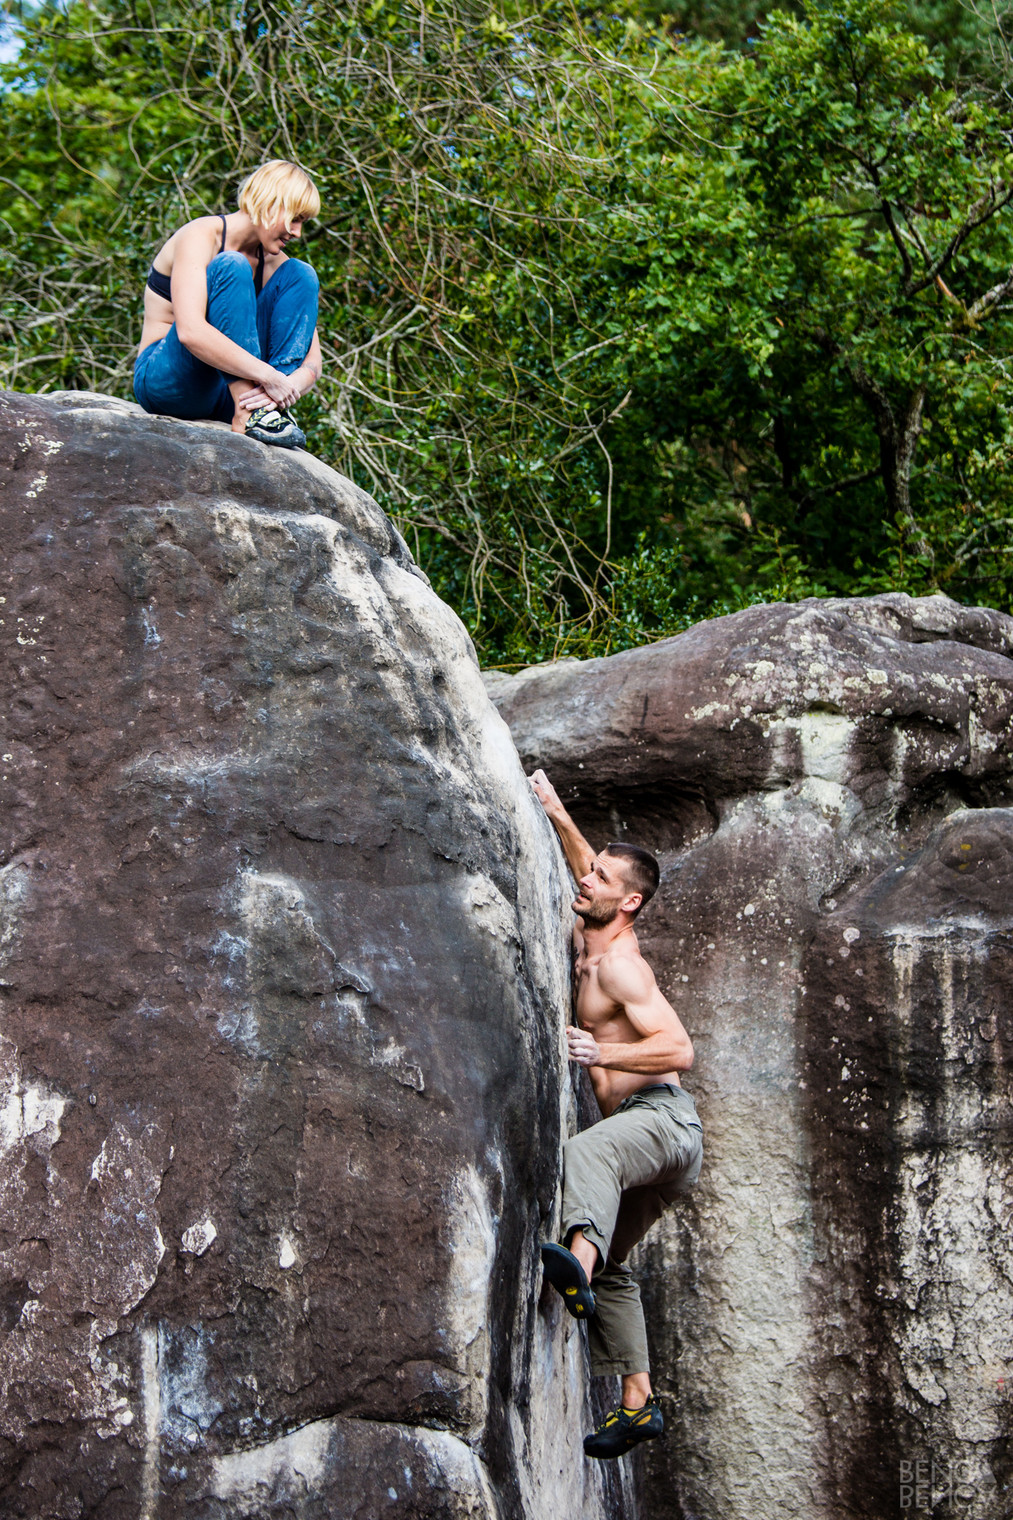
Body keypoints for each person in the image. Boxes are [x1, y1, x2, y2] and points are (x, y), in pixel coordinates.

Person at [529, 768, 703, 1461]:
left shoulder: (622, 968)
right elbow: (590, 871)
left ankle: (573, 1262)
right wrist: (555, 811)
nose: (586, 879)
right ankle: (638, 1403)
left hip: (662, 1121)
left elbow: (679, 1050)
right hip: (648, 1148)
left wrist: (602, 1049)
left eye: (601, 877)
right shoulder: (593, 934)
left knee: (586, 1153)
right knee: (614, 1268)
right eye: (590, 869)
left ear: (628, 903)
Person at [133, 160, 323, 449]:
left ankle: (264, 409)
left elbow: (312, 361)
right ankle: (250, 413)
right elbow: (190, 332)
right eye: (295, 218)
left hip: (229, 394)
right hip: (170, 383)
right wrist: (268, 375)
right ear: (269, 203)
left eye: (303, 222)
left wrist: (284, 387)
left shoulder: (276, 265)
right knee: (231, 266)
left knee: (302, 274)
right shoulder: (201, 236)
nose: (297, 232)